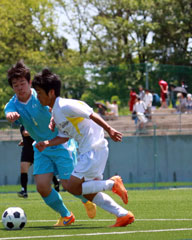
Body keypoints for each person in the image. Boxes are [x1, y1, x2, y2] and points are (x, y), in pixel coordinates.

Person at [32, 68, 134, 227]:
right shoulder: (57, 112)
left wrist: (110, 130)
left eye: (39, 93)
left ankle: (112, 183)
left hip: (93, 149)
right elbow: (64, 137)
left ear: (51, 92)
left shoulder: (65, 105)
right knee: (89, 191)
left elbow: (91, 114)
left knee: (71, 186)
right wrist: (47, 143)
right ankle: (123, 215)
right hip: (90, 150)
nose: (37, 97)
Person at [4, 60, 96, 227]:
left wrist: (54, 117)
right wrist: (10, 116)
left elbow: (56, 108)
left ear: (29, 83)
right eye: (15, 85)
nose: (19, 87)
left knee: (70, 185)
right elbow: (9, 112)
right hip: (41, 148)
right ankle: (66, 215)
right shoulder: (13, 104)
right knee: (42, 187)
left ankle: (87, 200)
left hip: (61, 144)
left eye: (22, 83)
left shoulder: (40, 96)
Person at [17, 125, 60, 198]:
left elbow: (26, 133)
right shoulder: (23, 123)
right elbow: (25, 134)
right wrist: (24, 141)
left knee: (45, 169)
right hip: (27, 150)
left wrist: (32, 133)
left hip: (37, 148)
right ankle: (24, 190)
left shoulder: (32, 121)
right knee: (23, 168)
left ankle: (56, 182)